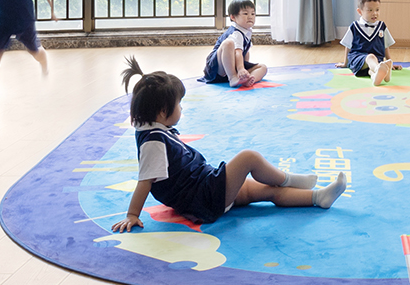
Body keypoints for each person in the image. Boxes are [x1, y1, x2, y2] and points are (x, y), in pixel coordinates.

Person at [111, 58, 346, 230]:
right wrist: (132, 214)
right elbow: (145, 181)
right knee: (248, 158)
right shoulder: (152, 142)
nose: (181, 108)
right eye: (179, 104)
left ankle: (318, 197)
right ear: (163, 112)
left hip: (204, 188)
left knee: (268, 191)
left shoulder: (153, 127)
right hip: (204, 196)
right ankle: (289, 179)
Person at [201, 0, 267, 87]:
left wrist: (244, 72)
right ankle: (232, 77)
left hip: (233, 68)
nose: (250, 16)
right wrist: (241, 69)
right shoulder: (236, 33)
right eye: (245, 13)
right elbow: (238, 52)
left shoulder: (246, 31)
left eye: (253, 13)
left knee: (263, 67)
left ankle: (250, 79)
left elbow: (245, 53)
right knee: (229, 43)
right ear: (233, 17)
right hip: (217, 71)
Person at [340, 0, 397, 83]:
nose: (374, 13)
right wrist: (345, 63)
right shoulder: (354, 27)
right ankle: (381, 69)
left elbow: (386, 46)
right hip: (358, 59)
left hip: (377, 60)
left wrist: (390, 61)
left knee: (371, 69)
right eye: (370, 10)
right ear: (360, 11)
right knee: (370, 57)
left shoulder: (382, 26)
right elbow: (348, 46)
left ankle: (375, 77)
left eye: (377, 10)